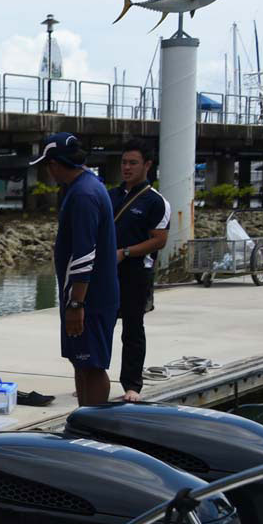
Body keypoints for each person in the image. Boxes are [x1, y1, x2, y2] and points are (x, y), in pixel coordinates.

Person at [30, 132, 120, 406]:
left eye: (48, 165)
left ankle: (96, 425)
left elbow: (85, 254)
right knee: (81, 362)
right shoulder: (86, 187)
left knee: (91, 365)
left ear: (56, 164)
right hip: (86, 295)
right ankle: (86, 419)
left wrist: (76, 304)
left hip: (89, 297)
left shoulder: (83, 195)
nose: (49, 171)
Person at [110, 139, 170, 402]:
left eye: (133, 163)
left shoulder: (156, 202)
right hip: (107, 271)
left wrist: (125, 253)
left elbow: (159, 239)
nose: (127, 167)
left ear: (147, 165)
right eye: (124, 162)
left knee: (133, 328)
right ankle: (93, 376)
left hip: (136, 271)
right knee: (100, 324)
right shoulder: (111, 195)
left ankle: (132, 385)